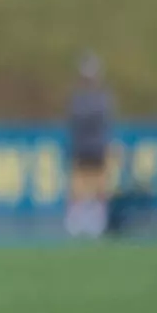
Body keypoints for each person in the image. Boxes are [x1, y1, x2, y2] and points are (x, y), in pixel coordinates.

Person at [64, 53, 114, 239]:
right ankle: (76, 223)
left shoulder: (102, 98)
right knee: (77, 188)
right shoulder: (78, 98)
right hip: (81, 148)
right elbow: (76, 119)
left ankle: (98, 223)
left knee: (100, 188)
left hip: (97, 148)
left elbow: (101, 120)